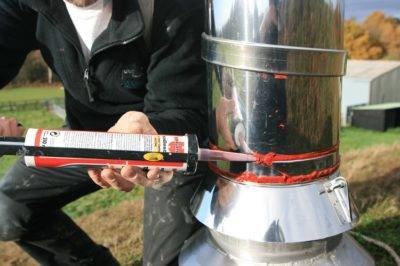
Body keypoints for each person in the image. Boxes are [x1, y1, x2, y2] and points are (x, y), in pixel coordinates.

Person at [0, 0, 207, 265]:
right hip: (84, 137)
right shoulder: (25, 4)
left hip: (159, 141)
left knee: (167, 261)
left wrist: (154, 130)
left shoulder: (173, 7)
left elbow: (184, 107)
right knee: (8, 209)